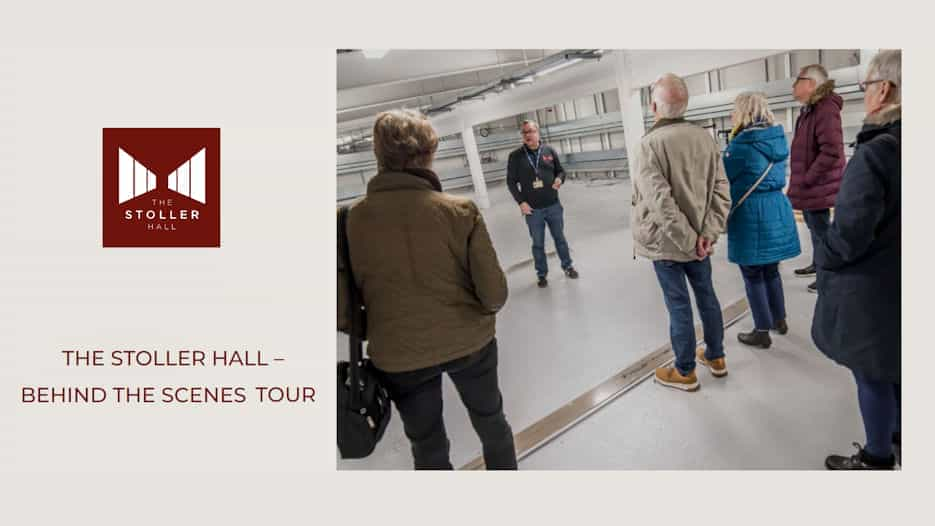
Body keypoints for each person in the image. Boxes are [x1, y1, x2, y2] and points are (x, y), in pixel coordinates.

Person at [337, 109, 517, 470]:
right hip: (471, 346)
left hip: (400, 357)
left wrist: (388, 330)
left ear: (378, 155)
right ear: (428, 155)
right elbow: (495, 293)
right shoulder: (460, 211)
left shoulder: (348, 221)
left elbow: (341, 309)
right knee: (491, 423)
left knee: (427, 443)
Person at [813, 50, 901, 470]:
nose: (864, 94)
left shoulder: (876, 152)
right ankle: (899, 432)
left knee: (872, 371)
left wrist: (823, 257)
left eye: (866, 86)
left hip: (874, 286)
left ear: (884, 89)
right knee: (900, 365)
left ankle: (877, 458)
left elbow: (849, 235)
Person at [633, 73, 732, 392]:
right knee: (707, 297)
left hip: (667, 245)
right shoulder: (706, 138)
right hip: (701, 243)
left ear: (654, 106)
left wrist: (690, 241)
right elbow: (721, 189)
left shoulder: (649, 145)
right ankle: (716, 357)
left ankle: (685, 370)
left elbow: (659, 202)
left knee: (678, 306)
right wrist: (707, 234)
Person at [723, 92, 801, 349]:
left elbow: (726, 179)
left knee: (752, 273)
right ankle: (779, 319)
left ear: (743, 112)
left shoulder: (740, 146)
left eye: (735, 110)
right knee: (770, 270)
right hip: (776, 207)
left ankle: (761, 330)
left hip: (751, 212)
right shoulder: (777, 139)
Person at [787, 63, 845, 293]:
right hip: (811, 185)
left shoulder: (825, 109)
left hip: (817, 185)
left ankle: (827, 274)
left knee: (821, 231)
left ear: (810, 83)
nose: (793, 85)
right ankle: (818, 264)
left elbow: (832, 151)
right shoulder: (809, 109)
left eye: (797, 79)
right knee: (814, 227)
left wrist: (808, 178)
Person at [506, 119, 579, 288]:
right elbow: (510, 182)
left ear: (538, 132)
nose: (528, 135)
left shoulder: (549, 151)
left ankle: (568, 266)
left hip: (553, 205)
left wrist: (560, 179)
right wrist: (521, 203)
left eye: (530, 131)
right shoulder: (516, 156)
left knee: (560, 238)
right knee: (538, 244)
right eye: (524, 132)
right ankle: (542, 274)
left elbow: (561, 171)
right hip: (533, 210)